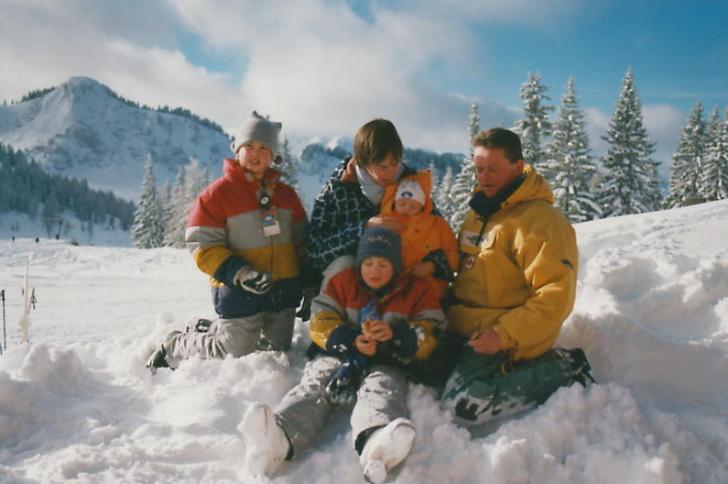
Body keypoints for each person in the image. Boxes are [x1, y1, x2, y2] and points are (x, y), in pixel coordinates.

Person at [238, 226, 446, 483]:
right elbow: (320, 319)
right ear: (359, 263)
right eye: (368, 263)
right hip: (341, 353)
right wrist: (349, 340)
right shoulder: (343, 281)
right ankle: (280, 436)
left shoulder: (416, 289)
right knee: (318, 382)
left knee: (384, 385)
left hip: (388, 358)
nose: (375, 270)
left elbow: (432, 329)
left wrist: (396, 335)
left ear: (397, 266)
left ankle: (376, 441)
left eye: (383, 264)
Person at [440, 127, 593, 425]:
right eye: (480, 169)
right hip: (464, 325)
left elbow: (555, 297)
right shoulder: (481, 212)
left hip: (505, 333)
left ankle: (565, 368)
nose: (484, 177)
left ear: (518, 167)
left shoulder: (542, 221)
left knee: (465, 404)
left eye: (493, 169)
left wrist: (503, 335)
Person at [146, 111, 307, 371]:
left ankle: (209, 328)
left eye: (264, 148)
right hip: (238, 288)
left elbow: (302, 242)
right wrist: (240, 273)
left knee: (276, 351)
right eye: (249, 146)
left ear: (274, 156)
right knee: (235, 349)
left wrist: (308, 283)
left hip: (282, 289)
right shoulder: (217, 195)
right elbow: (203, 244)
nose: (255, 153)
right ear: (237, 149)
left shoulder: (287, 196)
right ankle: (175, 345)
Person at [302, 119, 452, 306]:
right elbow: (314, 252)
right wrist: (363, 229)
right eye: (382, 166)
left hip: (407, 291)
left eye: (395, 163)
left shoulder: (412, 186)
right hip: (351, 295)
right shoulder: (337, 192)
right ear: (363, 162)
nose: (390, 173)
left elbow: (441, 235)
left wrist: (431, 265)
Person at [378, 170, 458, 299]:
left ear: (422, 206)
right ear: (395, 202)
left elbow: (454, 256)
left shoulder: (436, 224)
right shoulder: (384, 222)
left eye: (413, 206)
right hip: (390, 288)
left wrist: (432, 266)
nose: (406, 209)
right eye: (402, 204)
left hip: (429, 289)